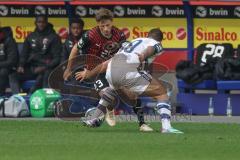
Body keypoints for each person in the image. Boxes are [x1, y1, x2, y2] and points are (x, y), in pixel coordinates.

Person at [76, 28, 183, 134]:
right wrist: (144, 55)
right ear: (160, 40)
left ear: (147, 35)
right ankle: (166, 127)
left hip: (111, 70)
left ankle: (93, 118)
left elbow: (106, 63)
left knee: (114, 90)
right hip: (127, 70)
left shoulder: (133, 42)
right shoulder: (155, 43)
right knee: (162, 93)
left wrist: (90, 73)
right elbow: (152, 48)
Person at [63, 8, 152, 132]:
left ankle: (142, 124)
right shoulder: (90, 35)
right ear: (98, 24)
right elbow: (75, 48)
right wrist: (68, 68)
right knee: (108, 97)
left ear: (112, 22)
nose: (105, 28)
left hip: (115, 69)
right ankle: (109, 109)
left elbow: (126, 53)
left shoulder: (119, 35)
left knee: (132, 95)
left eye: (108, 25)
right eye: (102, 25)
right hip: (96, 72)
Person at [10, 15, 62, 94]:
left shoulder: (54, 37)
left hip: (47, 69)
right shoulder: (31, 36)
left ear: (47, 23)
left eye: (43, 22)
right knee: (13, 75)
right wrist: (21, 65)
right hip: (33, 68)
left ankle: (37, 97)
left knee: (43, 77)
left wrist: (44, 67)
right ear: (35, 23)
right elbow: (24, 53)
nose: (41, 24)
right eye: (39, 22)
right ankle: (17, 98)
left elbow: (57, 58)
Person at [0, 26, 18, 96]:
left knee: (2, 72)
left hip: (9, 68)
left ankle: (0, 96)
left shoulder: (9, 40)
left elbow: (12, 61)